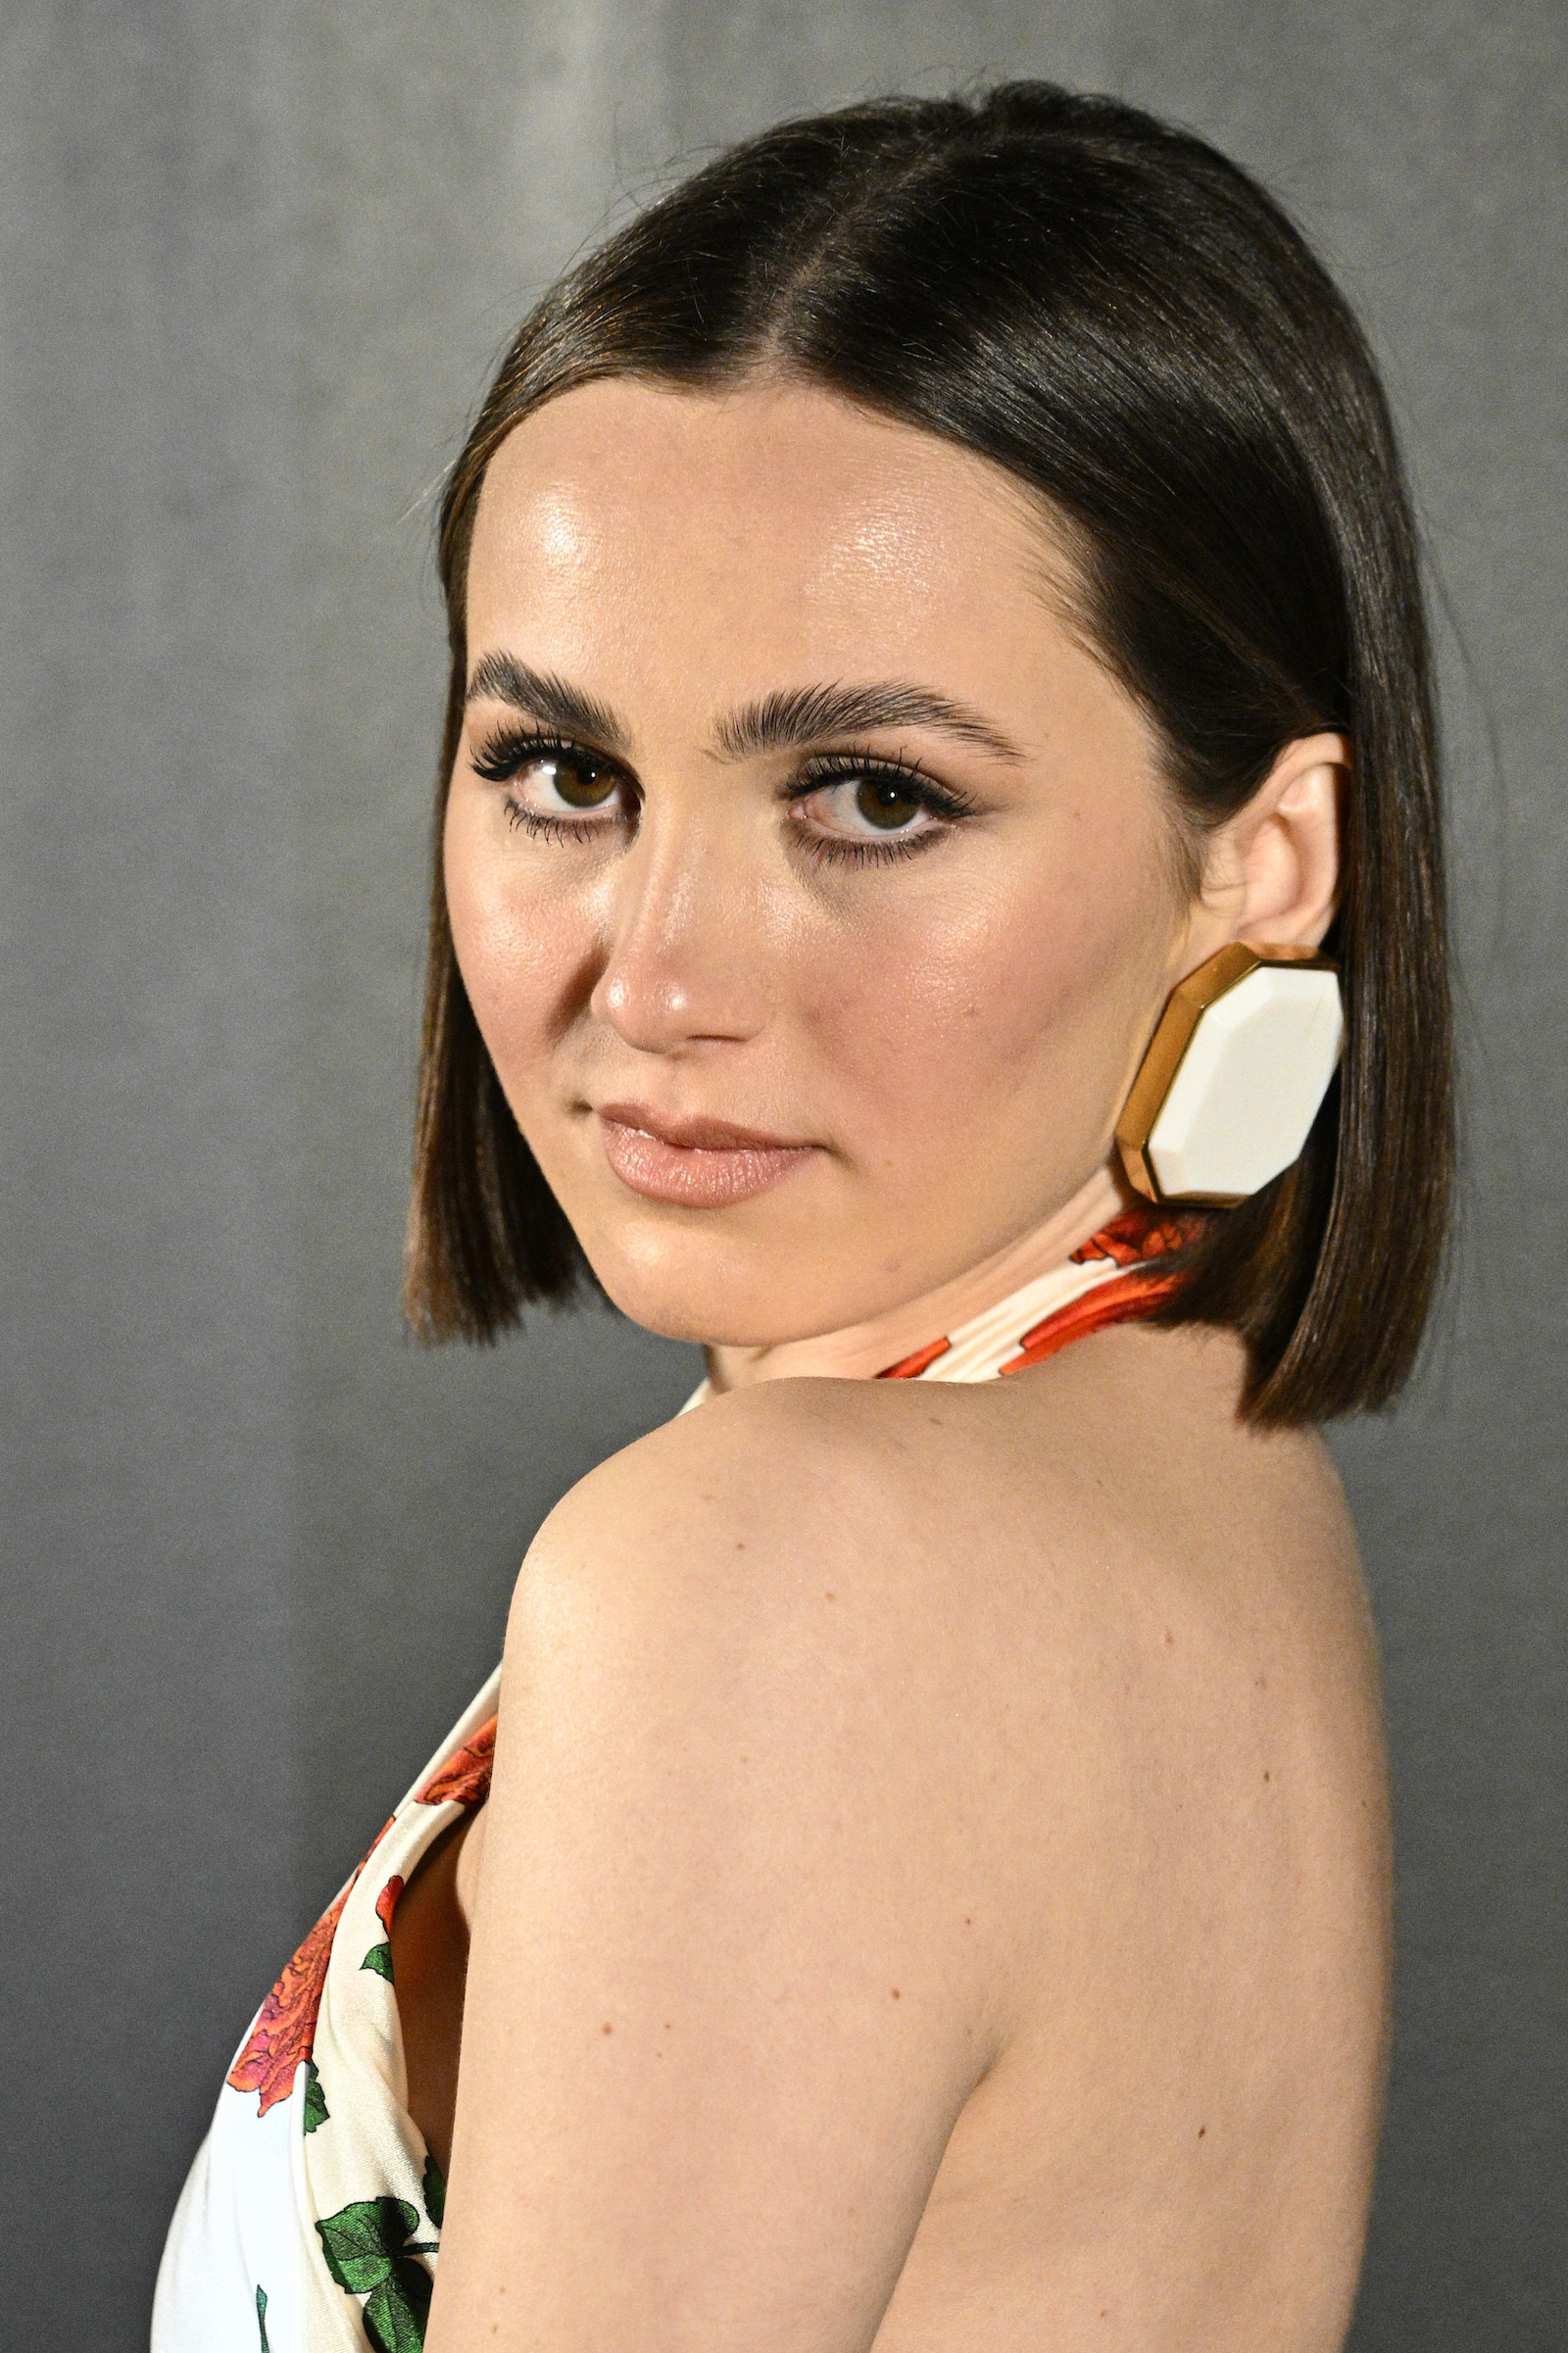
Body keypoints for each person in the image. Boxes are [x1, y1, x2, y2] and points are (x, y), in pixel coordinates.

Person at [153, 82, 1452, 2353]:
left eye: (869, 796)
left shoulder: (777, 1571)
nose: (650, 974)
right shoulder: (1188, 1442)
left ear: (1261, 859)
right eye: (560, 772)